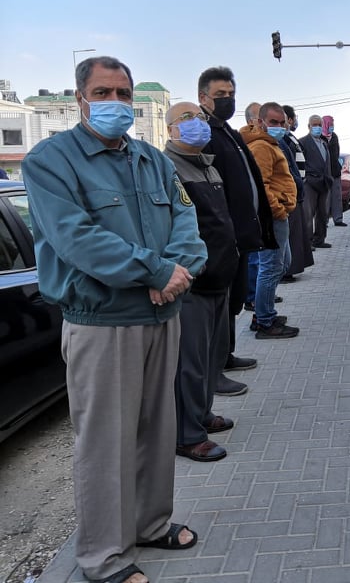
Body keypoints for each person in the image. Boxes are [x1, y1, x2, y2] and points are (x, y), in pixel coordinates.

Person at [22, 56, 206, 583]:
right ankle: (104, 558)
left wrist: (176, 270)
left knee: (155, 428)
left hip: (162, 312)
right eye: (103, 93)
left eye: (124, 94)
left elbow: (186, 219)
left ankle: (150, 524)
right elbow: (76, 238)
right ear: (80, 99)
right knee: (105, 444)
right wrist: (152, 269)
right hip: (103, 322)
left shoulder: (152, 159)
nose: (116, 104)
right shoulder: (50, 161)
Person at [163, 102, 238, 462]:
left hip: (219, 277)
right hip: (193, 281)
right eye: (187, 118)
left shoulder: (207, 166)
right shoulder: (167, 169)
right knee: (189, 364)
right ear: (170, 130)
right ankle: (187, 434)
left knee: (211, 357)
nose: (198, 124)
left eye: (201, 117)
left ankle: (203, 415)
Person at [198, 66, 275, 395]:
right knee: (220, 302)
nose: (227, 100)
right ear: (203, 98)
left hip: (239, 234)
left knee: (232, 301)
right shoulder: (203, 132)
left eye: (231, 94)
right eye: (220, 95)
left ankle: (225, 356)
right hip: (222, 235)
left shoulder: (225, 129)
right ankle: (213, 371)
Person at [240, 102, 299, 339]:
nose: (279, 126)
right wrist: (277, 209)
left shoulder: (270, 144)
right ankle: (265, 320)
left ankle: (262, 313)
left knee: (280, 265)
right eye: (273, 122)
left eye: (282, 122)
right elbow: (261, 186)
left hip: (277, 215)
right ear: (260, 122)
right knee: (271, 267)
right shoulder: (262, 147)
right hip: (273, 217)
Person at [281, 105, 314, 280]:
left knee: (296, 232)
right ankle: (287, 271)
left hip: (297, 190)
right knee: (291, 233)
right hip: (289, 192)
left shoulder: (289, 138)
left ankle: (293, 268)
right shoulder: (282, 140)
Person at [298, 114, 333, 249]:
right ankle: (307, 242)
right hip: (310, 182)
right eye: (315, 125)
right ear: (309, 126)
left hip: (324, 182)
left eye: (319, 125)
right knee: (308, 213)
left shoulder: (324, 143)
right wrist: (305, 179)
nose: (317, 127)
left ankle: (320, 239)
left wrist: (329, 178)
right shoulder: (303, 142)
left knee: (323, 213)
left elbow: (327, 163)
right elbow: (300, 163)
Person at [322, 115, 346, 227]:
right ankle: (324, 221)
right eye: (330, 124)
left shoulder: (334, 136)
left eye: (333, 124)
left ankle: (338, 219)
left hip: (335, 171)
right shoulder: (320, 137)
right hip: (324, 172)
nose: (332, 126)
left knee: (336, 197)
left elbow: (337, 152)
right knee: (325, 198)